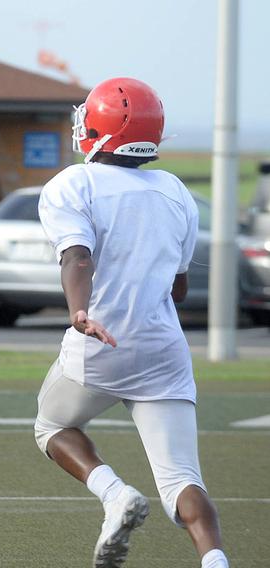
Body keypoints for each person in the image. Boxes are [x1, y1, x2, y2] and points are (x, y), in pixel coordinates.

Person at [34, 77, 229, 568]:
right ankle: (215, 561)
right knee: (183, 478)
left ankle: (114, 493)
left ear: (100, 127)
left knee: (52, 425)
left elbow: (77, 256)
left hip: (101, 337)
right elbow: (178, 288)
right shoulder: (175, 191)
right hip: (163, 347)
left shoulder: (74, 183)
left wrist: (80, 310)